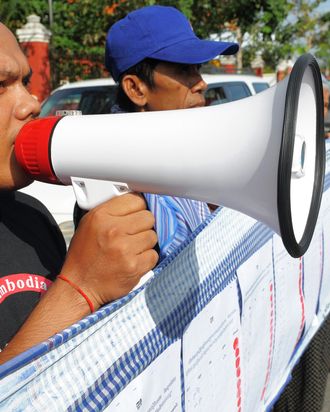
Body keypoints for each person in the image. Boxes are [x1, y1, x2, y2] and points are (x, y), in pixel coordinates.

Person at [0, 22, 159, 364]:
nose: (31, 103)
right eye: (0, 86)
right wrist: (79, 289)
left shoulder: (30, 214)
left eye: (26, 82)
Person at [104, 5, 239, 260]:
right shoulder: (113, 186)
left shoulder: (184, 151)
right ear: (136, 89)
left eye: (197, 68)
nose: (201, 83)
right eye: (183, 69)